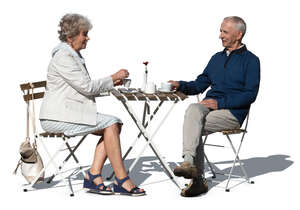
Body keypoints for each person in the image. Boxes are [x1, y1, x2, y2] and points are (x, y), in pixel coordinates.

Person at [39, 13, 145, 196]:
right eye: (84, 34)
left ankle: (93, 175)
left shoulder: (73, 55)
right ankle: (121, 179)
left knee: (114, 123)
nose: (88, 38)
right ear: (70, 37)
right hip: (56, 117)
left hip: (68, 113)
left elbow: (83, 89)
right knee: (111, 124)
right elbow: (87, 87)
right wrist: (113, 77)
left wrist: (112, 84)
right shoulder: (64, 57)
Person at [169, 16, 260, 197]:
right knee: (193, 110)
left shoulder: (251, 61)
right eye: (220, 31)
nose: (220, 36)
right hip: (208, 108)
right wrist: (180, 85)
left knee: (194, 124)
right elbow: (199, 85)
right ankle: (188, 162)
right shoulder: (216, 58)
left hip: (232, 113)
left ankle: (197, 179)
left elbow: (250, 95)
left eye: (225, 32)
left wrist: (220, 103)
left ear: (238, 34)